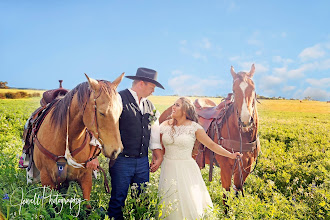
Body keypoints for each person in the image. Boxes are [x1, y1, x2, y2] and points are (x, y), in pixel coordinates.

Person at [157, 97, 242, 220]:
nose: (173, 107)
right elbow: (155, 142)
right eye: (174, 104)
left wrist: (231, 155)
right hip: (168, 167)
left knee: (187, 199)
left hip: (186, 168)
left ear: (185, 111)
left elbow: (212, 145)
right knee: (169, 197)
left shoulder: (194, 127)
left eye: (177, 105)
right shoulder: (165, 125)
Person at [108, 67, 165, 220]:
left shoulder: (150, 106)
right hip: (121, 160)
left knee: (141, 201)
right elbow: (105, 126)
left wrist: (157, 155)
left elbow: (154, 134)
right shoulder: (119, 99)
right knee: (118, 200)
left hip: (142, 162)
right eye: (152, 87)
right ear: (141, 83)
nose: (153, 91)